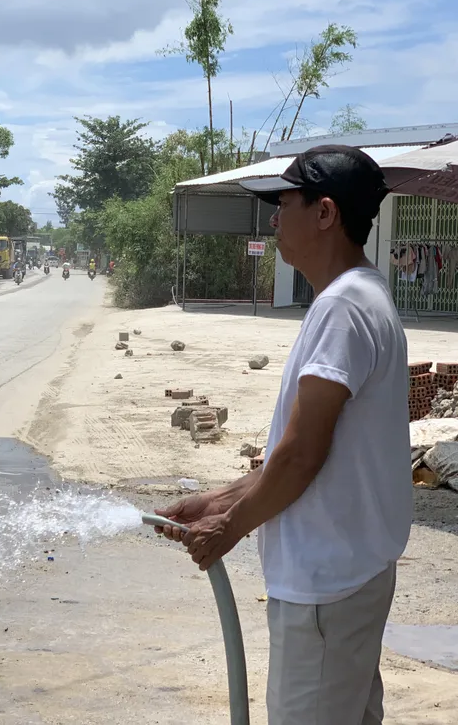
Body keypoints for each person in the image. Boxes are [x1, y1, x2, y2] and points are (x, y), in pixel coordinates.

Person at [155, 145, 409, 725]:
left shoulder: (344, 307)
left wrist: (230, 528)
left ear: (325, 213)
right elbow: (309, 453)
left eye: (283, 203)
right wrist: (219, 499)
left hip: (325, 584)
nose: (273, 219)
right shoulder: (357, 298)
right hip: (349, 575)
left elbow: (301, 456)